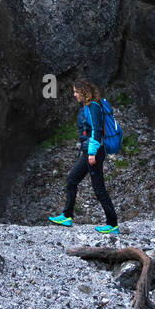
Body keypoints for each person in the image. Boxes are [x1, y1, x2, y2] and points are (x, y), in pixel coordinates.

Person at [48, 77, 119, 235]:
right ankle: (67, 216)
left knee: (99, 188)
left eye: (75, 91)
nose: (74, 95)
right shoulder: (89, 106)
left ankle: (112, 224)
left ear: (83, 92)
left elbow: (96, 131)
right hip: (88, 150)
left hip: (93, 151)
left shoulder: (93, 106)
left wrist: (92, 153)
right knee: (72, 179)